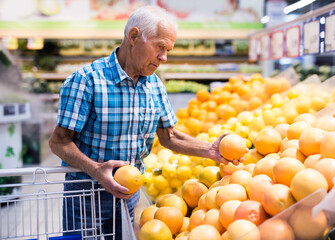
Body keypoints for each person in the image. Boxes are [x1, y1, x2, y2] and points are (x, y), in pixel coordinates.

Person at [49, 5, 242, 239]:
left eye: (168, 50)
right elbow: (58, 143)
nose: (164, 58)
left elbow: (169, 136)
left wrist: (210, 149)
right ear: (134, 37)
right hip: (86, 196)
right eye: (160, 47)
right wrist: (97, 170)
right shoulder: (86, 81)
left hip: (129, 195)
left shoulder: (154, 85)